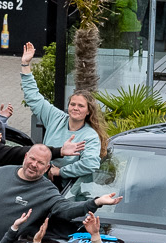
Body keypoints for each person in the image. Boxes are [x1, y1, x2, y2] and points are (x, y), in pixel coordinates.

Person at [14, 42, 104, 187]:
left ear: (88, 111)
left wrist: (61, 171)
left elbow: (90, 164)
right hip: (41, 181)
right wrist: (25, 64)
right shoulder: (56, 117)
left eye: (81, 106)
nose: (75, 108)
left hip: (69, 190)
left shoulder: (89, 135)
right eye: (72, 104)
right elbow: (33, 97)